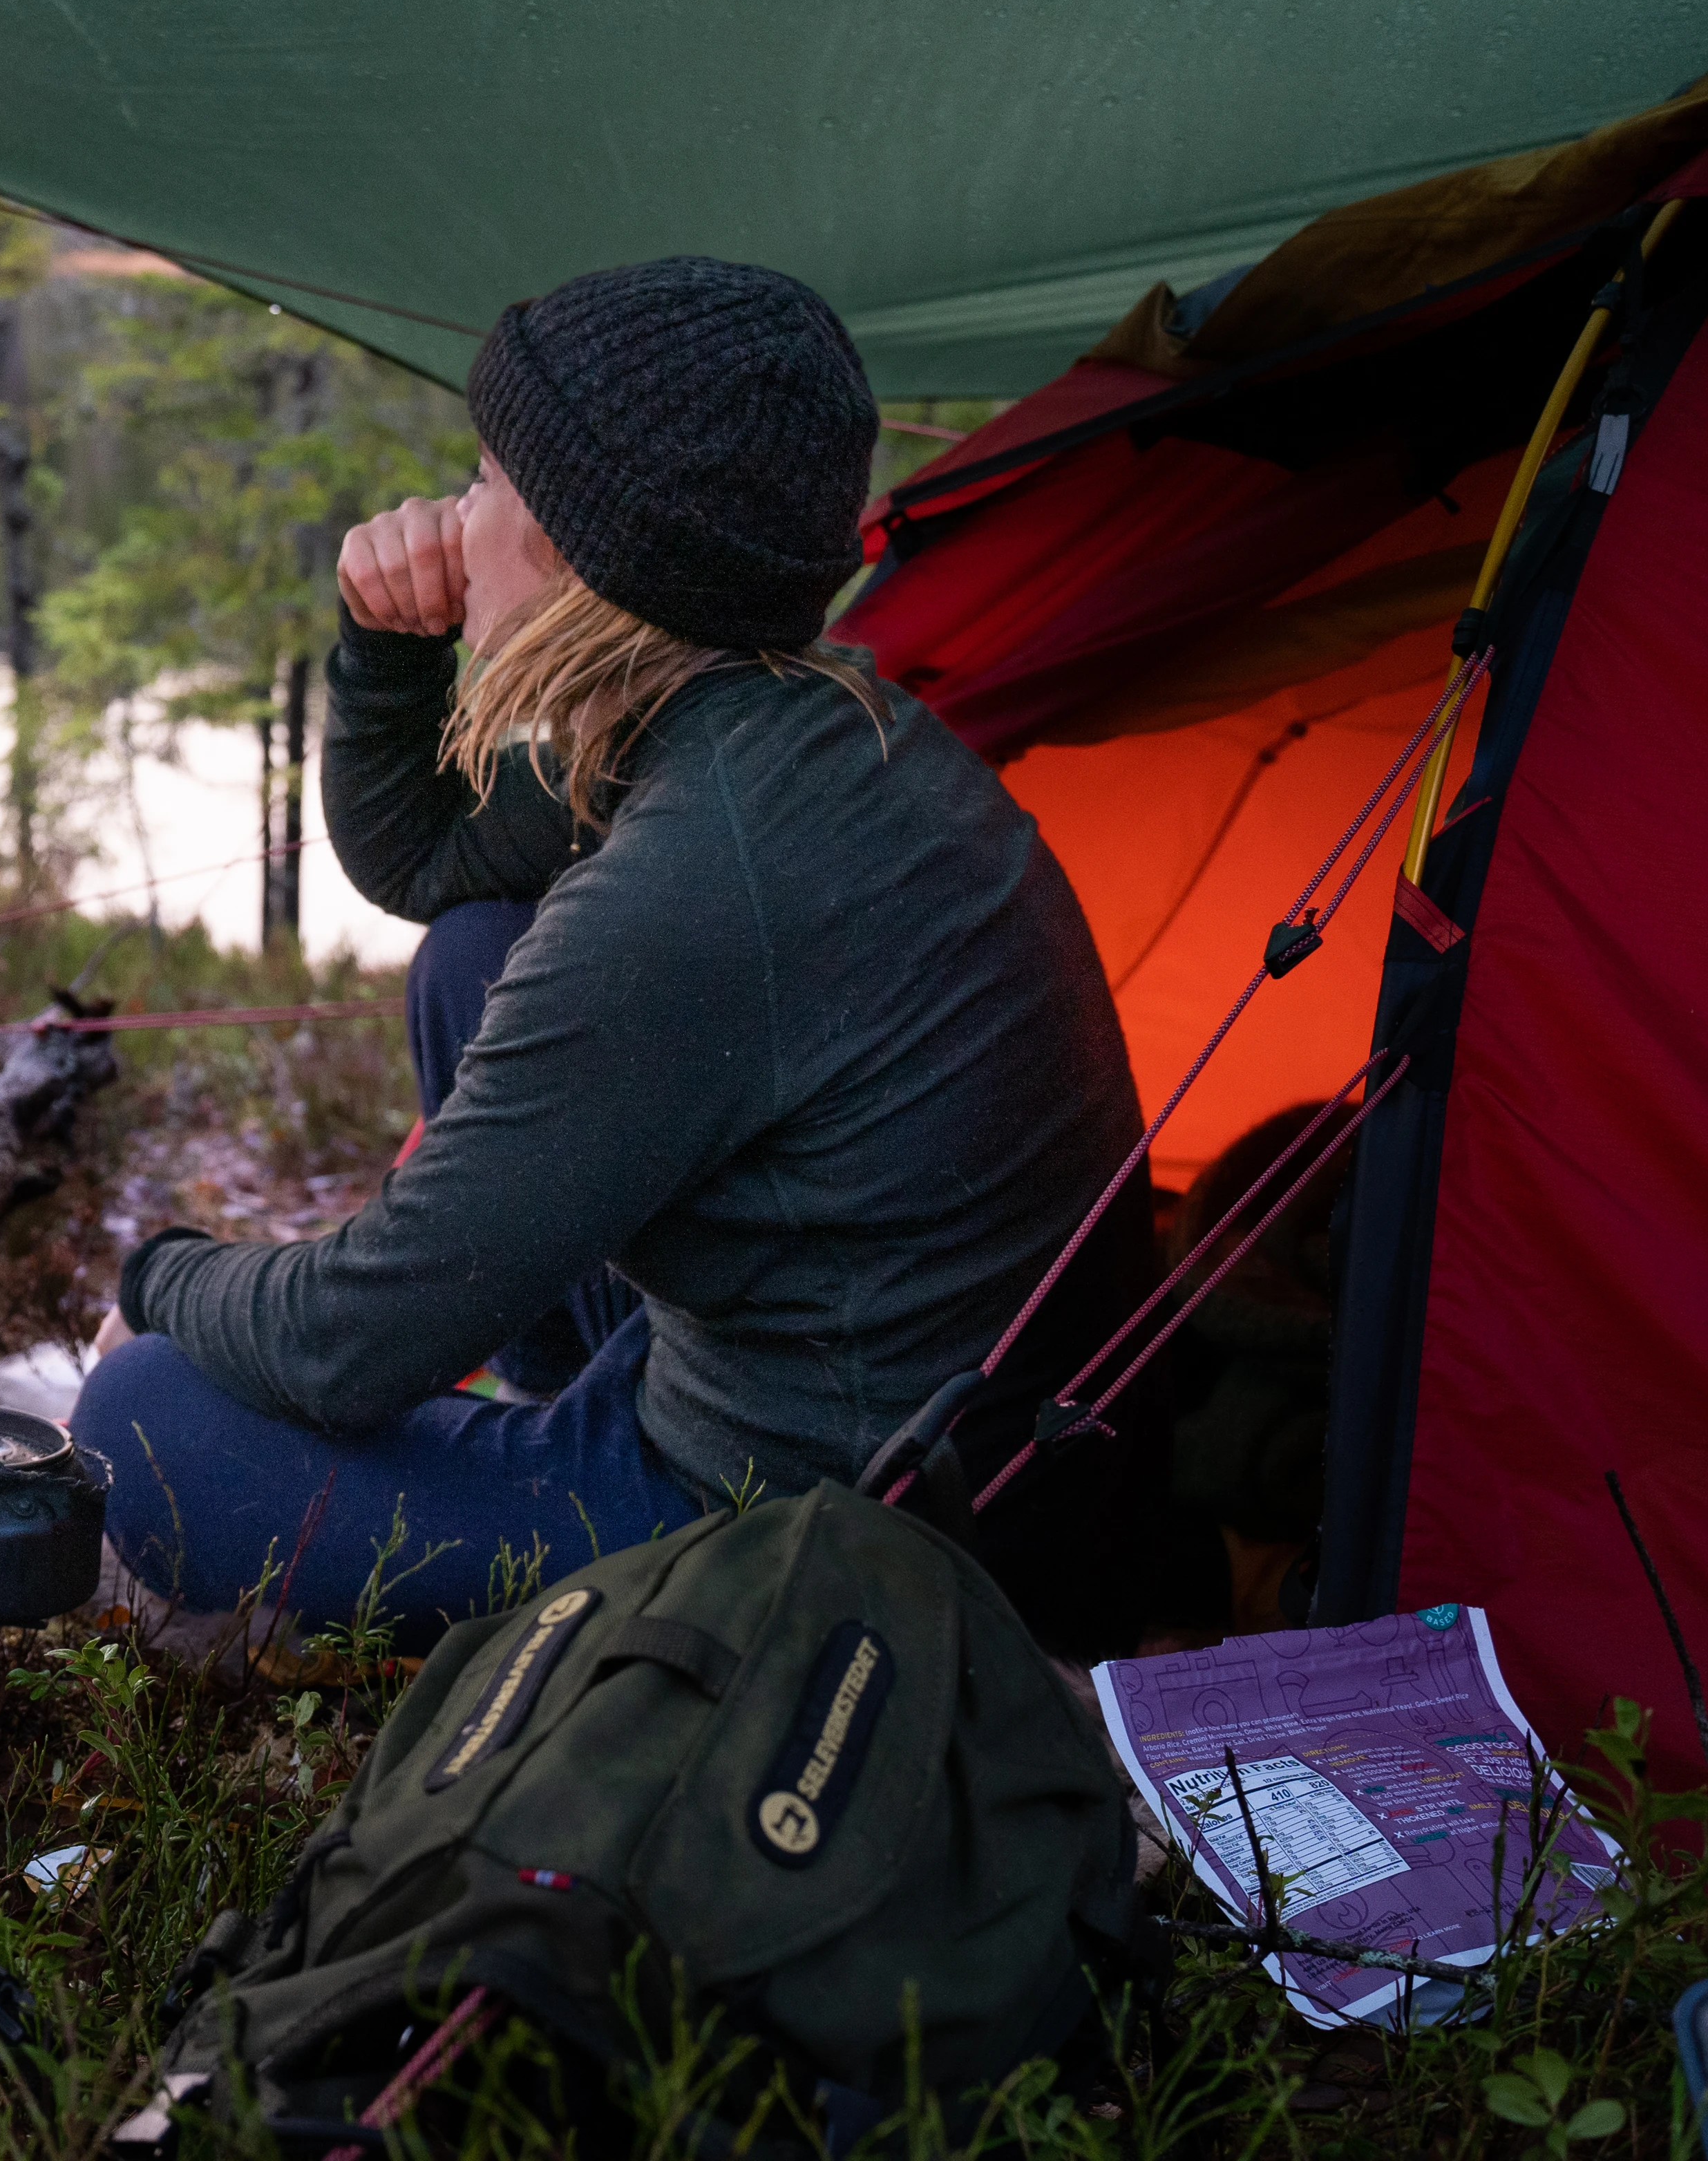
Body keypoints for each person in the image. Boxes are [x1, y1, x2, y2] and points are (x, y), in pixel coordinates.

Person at [74, 256, 1151, 1648]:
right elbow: (423, 862)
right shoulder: (795, 720)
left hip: (821, 1534)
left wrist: (152, 1271)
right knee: (475, 950)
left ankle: (558, 1496)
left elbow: (350, 1341)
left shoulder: (697, 883)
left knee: (143, 1419)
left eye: (483, 483)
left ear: (589, 545)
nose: (454, 525)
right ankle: (543, 1419)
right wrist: (385, 646)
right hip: (878, 1395)